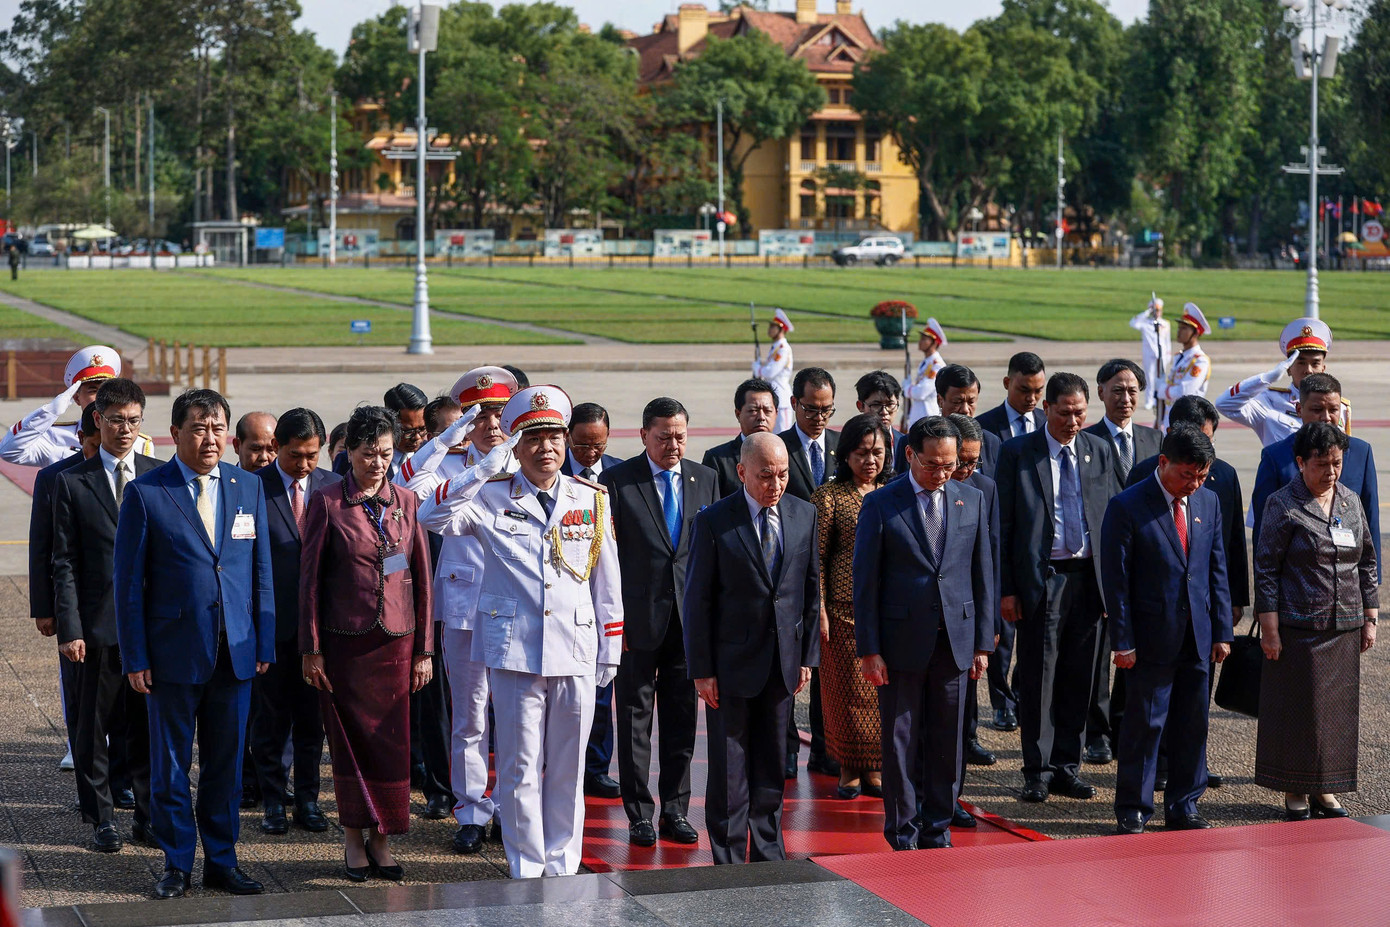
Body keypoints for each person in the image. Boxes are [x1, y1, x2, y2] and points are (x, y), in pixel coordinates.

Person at [417, 385, 622, 879]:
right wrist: (482, 469)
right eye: (533, 439)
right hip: (514, 651)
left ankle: (562, 862)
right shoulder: (489, 496)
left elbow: (606, 580)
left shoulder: (590, 499)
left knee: (569, 768)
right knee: (519, 765)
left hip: (574, 647)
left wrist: (610, 648)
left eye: (554, 437)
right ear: (515, 443)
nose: (546, 448)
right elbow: (431, 514)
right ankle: (527, 864)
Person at [114, 389, 275, 899]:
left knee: (226, 767)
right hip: (172, 654)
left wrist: (264, 641)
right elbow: (128, 584)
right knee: (171, 766)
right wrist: (135, 655)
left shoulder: (246, 486)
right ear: (176, 433)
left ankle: (222, 861)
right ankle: (177, 862)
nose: (211, 439)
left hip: (236, 651)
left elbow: (260, 572)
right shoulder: (147, 491)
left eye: (218, 428)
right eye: (200, 428)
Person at [300, 405, 433, 882]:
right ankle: (353, 838)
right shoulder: (329, 502)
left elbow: (421, 579)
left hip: (396, 644)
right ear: (349, 453)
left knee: (390, 746)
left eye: (385, 453)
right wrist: (311, 647)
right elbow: (310, 581)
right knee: (350, 744)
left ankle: (383, 839)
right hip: (344, 645)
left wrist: (425, 649)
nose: (377, 463)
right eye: (367, 453)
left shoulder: (406, 501)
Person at [854, 416, 993, 850]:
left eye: (949, 465)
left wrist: (983, 643)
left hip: (955, 641)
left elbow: (983, 573)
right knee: (899, 743)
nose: (942, 474)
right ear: (910, 454)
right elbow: (866, 583)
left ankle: (938, 826)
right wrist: (870, 649)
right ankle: (902, 830)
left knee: (947, 742)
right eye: (933, 464)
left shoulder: (970, 499)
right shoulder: (881, 504)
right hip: (899, 646)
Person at [396, 366, 519, 853]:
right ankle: (470, 809)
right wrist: (446, 440)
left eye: (499, 414)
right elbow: (407, 485)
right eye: (481, 415)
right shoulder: (448, 463)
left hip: (518, 609)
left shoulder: (528, 462)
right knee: (469, 716)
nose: (492, 424)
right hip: (466, 607)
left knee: (514, 717)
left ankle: (511, 809)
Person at [683, 432, 820, 864]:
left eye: (781, 475)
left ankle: (767, 847)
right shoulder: (714, 521)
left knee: (772, 760)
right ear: (742, 472)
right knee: (729, 764)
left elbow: (810, 592)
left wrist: (807, 658)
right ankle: (726, 851)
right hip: (730, 664)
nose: (775, 484)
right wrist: (702, 669)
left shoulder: (803, 514)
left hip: (782, 661)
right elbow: (698, 599)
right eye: (765, 476)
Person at [1101, 426, 1233, 835]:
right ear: (1163, 463)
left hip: (1197, 633)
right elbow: (1116, 582)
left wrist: (1222, 631)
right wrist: (1122, 641)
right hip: (1150, 636)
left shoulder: (1207, 502)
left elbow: (1216, 569)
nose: (1193, 484)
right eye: (1186, 475)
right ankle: (1134, 808)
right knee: (1145, 724)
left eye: (1201, 475)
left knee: (1193, 724)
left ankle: (1185, 804)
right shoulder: (1127, 505)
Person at [600, 398, 718, 847]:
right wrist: (614, 620)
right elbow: (606, 558)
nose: (673, 444)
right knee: (634, 719)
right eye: (664, 436)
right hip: (636, 622)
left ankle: (676, 809)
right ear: (644, 435)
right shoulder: (617, 482)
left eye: (680, 436)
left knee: (682, 719)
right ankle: (639, 813)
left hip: (688, 623)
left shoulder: (705, 480)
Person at [995, 372, 1115, 803]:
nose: (1072, 421)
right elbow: (1004, 527)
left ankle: (1067, 766)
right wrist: (1007, 589)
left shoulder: (1098, 451)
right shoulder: (1018, 454)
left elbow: (1110, 520)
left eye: (1080, 413)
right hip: (1042, 579)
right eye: (1064, 413)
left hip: (1088, 580)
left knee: (1079, 678)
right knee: (1039, 678)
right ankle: (1037, 770)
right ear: (1046, 409)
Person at [52, 378, 158, 853]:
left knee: (145, 728)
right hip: (94, 628)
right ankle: (102, 818)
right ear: (98, 419)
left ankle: (148, 816)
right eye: (116, 421)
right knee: (92, 730)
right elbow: (64, 562)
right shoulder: (73, 482)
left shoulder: (159, 475)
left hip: (150, 630)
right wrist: (69, 627)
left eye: (134, 421)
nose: (125, 430)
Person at [1254, 422, 1378, 821]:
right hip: (1299, 626)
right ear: (1300, 463)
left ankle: (1327, 788)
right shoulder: (1283, 504)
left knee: (1336, 713)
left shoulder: (1349, 501)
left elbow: (1367, 560)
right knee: (1300, 712)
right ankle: (1295, 789)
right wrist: (1269, 627)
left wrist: (1370, 615)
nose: (1331, 473)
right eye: (1322, 464)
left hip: (1344, 626)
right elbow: (1267, 568)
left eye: (1337, 464)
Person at [1126, 395, 1249, 789]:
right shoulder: (1144, 476)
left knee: (1194, 707)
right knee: (1151, 709)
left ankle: (1189, 775)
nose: (1199, 468)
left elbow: (1228, 545)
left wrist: (1233, 603)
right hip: (1155, 615)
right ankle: (1155, 771)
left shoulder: (1223, 478)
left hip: (1201, 612)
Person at [251, 408, 338, 837]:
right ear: (276, 449)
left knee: (311, 723)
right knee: (270, 721)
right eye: (295, 455)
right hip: (273, 626)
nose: (304, 465)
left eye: (311, 455)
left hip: (321, 630)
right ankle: (272, 802)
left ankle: (307, 800)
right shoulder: (252, 488)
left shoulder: (333, 487)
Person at [1081, 359, 1163, 766]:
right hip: (1099, 563)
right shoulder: (1084, 439)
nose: (1125, 398)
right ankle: (1095, 731)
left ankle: (1122, 721)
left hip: (1146, 566)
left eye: (1132, 390)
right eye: (1117, 389)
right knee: (1099, 651)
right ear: (1100, 392)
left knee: (1138, 650)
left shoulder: (1154, 440)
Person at [812, 413, 890, 801]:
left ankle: (875, 767)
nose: (870, 461)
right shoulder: (829, 497)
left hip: (885, 610)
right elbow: (817, 560)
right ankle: (847, 769)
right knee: (843, 695)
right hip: (841, 612)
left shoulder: (893, 492)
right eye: (861, 453)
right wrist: (821, 607)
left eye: (877, 452)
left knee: (879, 693)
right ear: (846, 456)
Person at [1251, 373, 1379, 582]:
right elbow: (1263, 531)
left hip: (1348, 583)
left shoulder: (1360, 452)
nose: (1326, 417)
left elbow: (1370, 523)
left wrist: (1373, 584)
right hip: (1296, 583)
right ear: (1299, 410)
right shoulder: (1276, 457)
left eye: (1333, 409)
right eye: (1317, 409)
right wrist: (1263, 593)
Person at [31, 403, 102, 775]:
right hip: (72, 602)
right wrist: (45, 607)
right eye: (92, 446)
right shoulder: (54, 478)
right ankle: (82, 754)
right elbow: (43, 547)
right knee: (79, 691)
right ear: (80, 440)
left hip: (114, 603)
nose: (98, 453)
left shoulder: (135, 475)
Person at [778, 366, 839, 778]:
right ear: (795, 404)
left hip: (837, 576)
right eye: (812, 408)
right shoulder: (777, 448)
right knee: (788, 668)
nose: (820, 417)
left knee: (828, 672)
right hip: (789, 575)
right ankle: (783, 752)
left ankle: (825, 749)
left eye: (827, 409)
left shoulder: (841, 447)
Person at [561, 403, 623, 800]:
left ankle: (596, 767)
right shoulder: (551, 473)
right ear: (567, 438)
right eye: (582, 445)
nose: (589, 454)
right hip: (562, 597)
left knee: (602, 691)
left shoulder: (619, 475)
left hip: (602, 595)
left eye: (597, 445)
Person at [947, 414, 1002, 825]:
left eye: (973, 463)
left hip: (965, 626)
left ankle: (951, 800)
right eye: (960, 462)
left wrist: (987, 632)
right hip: (921, 626)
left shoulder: (984, 489)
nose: (966, 471)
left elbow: (989, 564)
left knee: (960, 721)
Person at [1, 344, 154, 467]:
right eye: (93, 390)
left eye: (106, 390)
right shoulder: (56, 437)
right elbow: (9, 451)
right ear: (76, 397)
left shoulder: (139, 442)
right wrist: (49, 412)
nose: (101, 397)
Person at [1215, 317, 1347, 445]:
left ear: (1323, 368)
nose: (1308, 370)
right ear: (1288, 369)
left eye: (1315, 363)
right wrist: (1266, 378)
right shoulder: (1269, 402)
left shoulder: (1340, 407)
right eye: (1301, 363)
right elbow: (1224, 404)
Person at [702, 378, 778, 498]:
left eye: (768, 411)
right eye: (753, 411)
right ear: (738, 414)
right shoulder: (717, 459)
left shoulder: (789, 454)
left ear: (776, 413)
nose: (761, 417)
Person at [1157, 303, 1211, 428]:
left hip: (1187, 420)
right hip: (1169, 419)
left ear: (1196, 333)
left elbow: (1185, 392)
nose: (1179, 331)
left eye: (1184, 328)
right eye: (1179, 327)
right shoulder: (1180, 357)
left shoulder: (1200, 361)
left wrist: (1162, 390)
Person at [976, 352, 1046, 443]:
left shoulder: (1050, 423)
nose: (1031, 398)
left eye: (1038, 391)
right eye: (1024, 390)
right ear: (1007, 383)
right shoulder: (983, 426)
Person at [752, 309, 795, 433]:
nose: (770, 329)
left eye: (773, 326)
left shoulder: (783, 348)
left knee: (783, 435)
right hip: (773, 396)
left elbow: (770, 372)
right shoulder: (776, 347)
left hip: (782, 397)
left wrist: (758, 368)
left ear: (781, 329)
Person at [902, 318, 948, 428]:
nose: (920, 342)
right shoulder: (927, 362)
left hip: (928, 415)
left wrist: (907, 388)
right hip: (919, 413)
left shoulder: (937, 365)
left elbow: (921, 392)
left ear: (934, 342)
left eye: (924, 339)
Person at [1129, 295, 1171, 411]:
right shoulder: (1145, 323)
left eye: (1159, 310)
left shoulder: (1165, 324)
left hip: (1161, 355)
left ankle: (1160, 399)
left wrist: (1168, 355)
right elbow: (1132, 322)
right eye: (1155, 310)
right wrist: (1147, 312)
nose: (1157, 312)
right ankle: (1149, 401)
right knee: (1149, 378)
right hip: (1149, 355)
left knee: (1161, 379)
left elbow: (1167, 341)